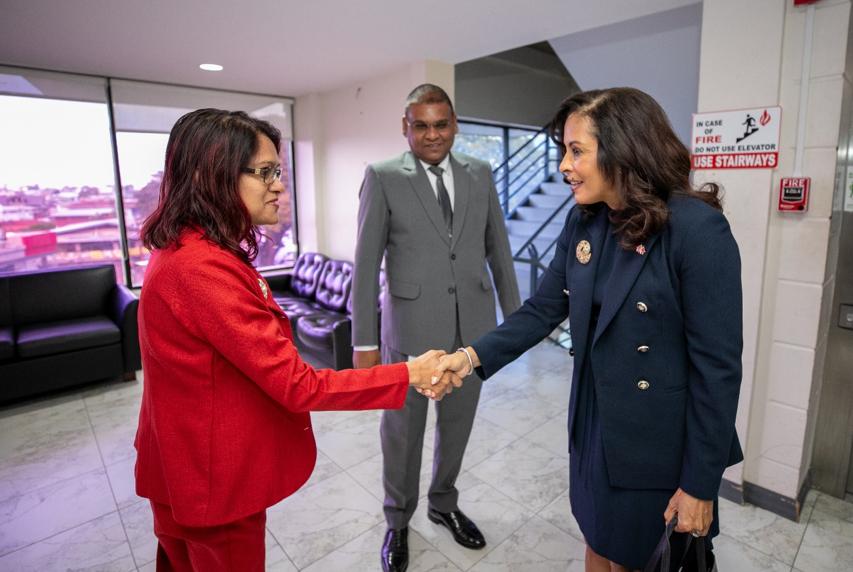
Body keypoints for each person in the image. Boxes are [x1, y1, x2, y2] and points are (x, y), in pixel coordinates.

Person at [134, 108, 458, 572]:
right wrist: (409, 372)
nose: (279, 187)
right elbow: (299, 385)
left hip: (181, 464)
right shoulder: (202, 269)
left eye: (278, 172)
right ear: (214, 175)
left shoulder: (181, 248)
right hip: (212, 483)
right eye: (265, 172)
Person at [434, 87, 743, 572]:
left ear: (623, 150)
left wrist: (700, 485)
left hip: (656, 439)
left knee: (639, 557)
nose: (564, 165)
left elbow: (718, 370)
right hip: (594, 421)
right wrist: (469, 358)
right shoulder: (585, 221)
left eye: (576, 150)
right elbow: (542, 308)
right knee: (597, 540)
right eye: (564, 150)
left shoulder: (696, 230)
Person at [351, 84, 521, 572]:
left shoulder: (479, 172)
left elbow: (498, 250)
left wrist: (516, 326)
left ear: (455, 124)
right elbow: (366, 265)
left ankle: (443, 503)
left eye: (441, 124)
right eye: (420, 125)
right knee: (402, 434)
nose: (432, 135)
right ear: (405, 127)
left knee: (458, 426)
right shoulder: (383, 176)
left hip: (472, 332)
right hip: (409, 331)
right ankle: (398, 520)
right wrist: (365, 342)